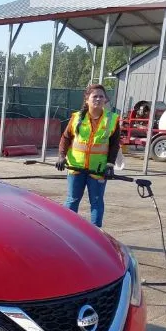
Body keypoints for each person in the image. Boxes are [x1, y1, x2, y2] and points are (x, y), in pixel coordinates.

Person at [56, 83, 120, 228]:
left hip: (98, 170)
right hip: (76, 167)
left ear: (105, 100)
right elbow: (66, 138)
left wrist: (110, 165)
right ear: (87, 99)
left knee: (97, 202)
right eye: (94, 96)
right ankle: (66, 230)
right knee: (72, 199)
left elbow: (114, 145)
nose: (98, 99)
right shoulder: (77, 118)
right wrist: (61, 156)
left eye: (101, 96)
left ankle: (96, 234)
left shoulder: (112, 119)